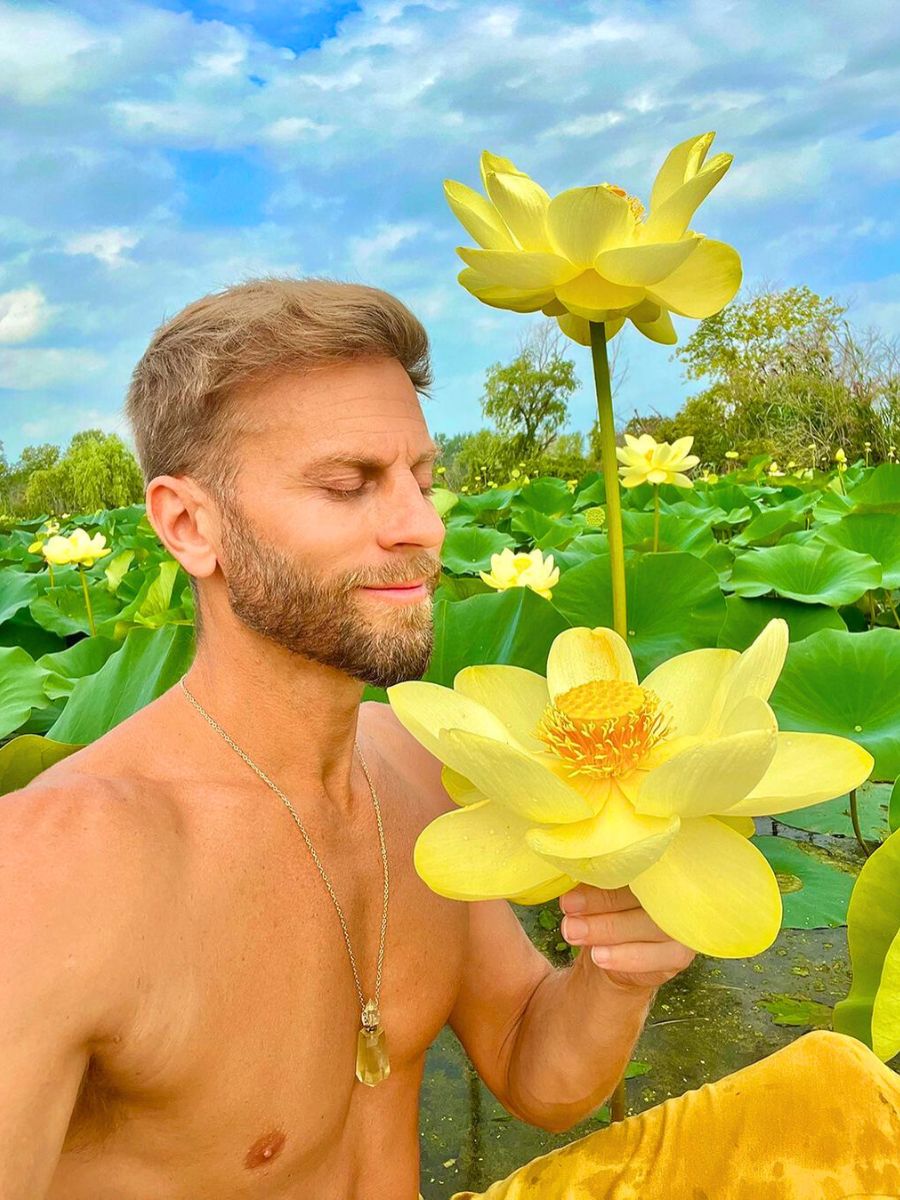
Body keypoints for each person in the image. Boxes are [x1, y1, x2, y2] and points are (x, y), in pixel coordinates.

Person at [2, 277, 896, 1200]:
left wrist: (621, 973)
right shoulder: (50, 873)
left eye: (424, 480)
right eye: (350, 486)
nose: (424, 528)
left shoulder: (421, 762)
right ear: (188, 523)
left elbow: (534, 1069)